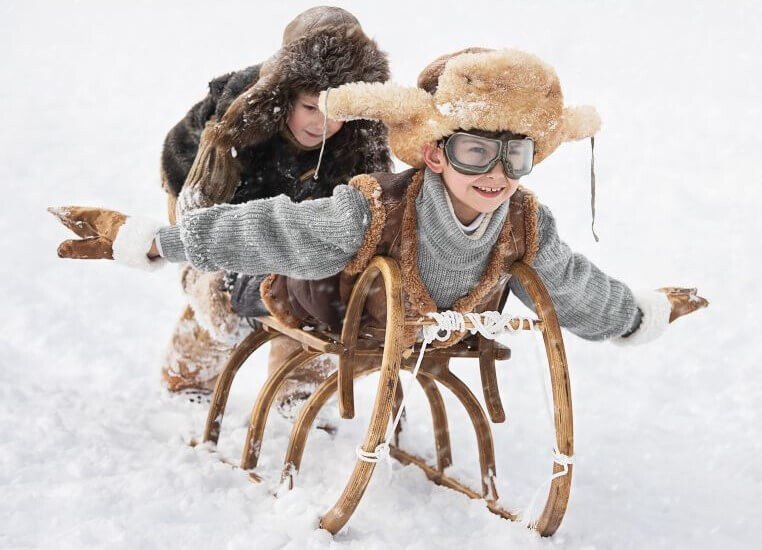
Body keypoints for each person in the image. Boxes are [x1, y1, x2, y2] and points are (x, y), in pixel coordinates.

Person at [52, 48, 707, 365]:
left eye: (518, 157)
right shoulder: (374, 209)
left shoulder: (525, 222)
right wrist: (159, 242)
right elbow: (274, 227)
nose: (498, 175)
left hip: (429, 333)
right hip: (326, 306)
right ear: (435, 154)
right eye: (478, 153)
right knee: (238, 292)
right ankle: (208, 298)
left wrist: (637, 316)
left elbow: (570, 284)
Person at [156, 6, 392, 404]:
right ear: (285, 97)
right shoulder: (235, 121)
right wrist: (226, 260)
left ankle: (299, 390)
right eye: (310, 107)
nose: (322, 124)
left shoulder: (359, 137)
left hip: (298, 236)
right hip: (218, 216)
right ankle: (189, 378)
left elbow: (370, 212)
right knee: (218, 291)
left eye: (337, 112)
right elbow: (197, 215)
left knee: (322, 293)